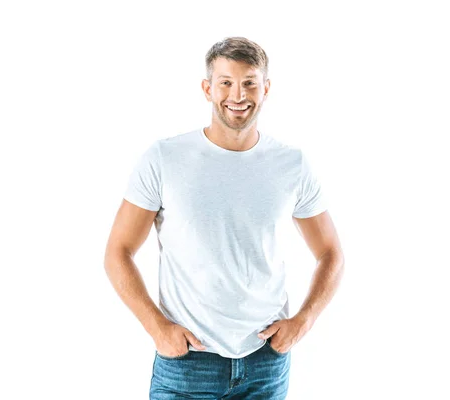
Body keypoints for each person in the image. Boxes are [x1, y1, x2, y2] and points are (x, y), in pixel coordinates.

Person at [104, 36, 345, 399]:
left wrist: (303, 321)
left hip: (265, 362)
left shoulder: (291, 164)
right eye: (226, 83)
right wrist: (157, 328)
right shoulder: (165, 159)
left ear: (266, 89)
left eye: (249, 83)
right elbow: (117, 251)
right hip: (188, 362)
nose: (238, 95)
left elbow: (331, 253)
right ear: (207, 89)